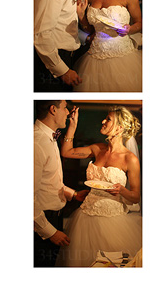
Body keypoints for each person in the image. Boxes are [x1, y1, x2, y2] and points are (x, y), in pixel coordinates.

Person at [56, 106, 142, 266]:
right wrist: (72, 126)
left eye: (108, 119)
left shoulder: (130, 159)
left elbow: (136, 196)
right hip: (86, 218)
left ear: (119, 128)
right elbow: (66, 152)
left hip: (113, 223)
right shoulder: (97, 149)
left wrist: (121, 190)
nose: (103, 121)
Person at [74, 0, 143, 92]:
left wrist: (129, 29)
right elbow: (89, 29)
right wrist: (81, 15)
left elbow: (140, 23)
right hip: (94, 58)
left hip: (123, 58)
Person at [34, 100, 89, 267]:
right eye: (65, 108)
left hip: (53, 218)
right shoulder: (36, 143)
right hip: (40, 223)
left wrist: (73, 194)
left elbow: (49, 181)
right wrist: (50, 232)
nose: (67, 113)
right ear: (53, 109)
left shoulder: (49, 137)